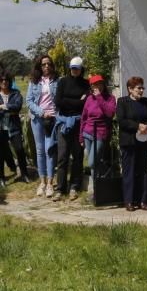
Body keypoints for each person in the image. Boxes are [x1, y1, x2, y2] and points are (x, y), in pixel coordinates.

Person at [116, 76, 147, 211]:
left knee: (143, 171)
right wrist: (138, 126)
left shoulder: (146, 102)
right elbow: (122, 121)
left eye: (142, 88)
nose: (141, 90)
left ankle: (143, 200)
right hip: (129, 142)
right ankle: (128, 201)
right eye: (138, 88)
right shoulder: (122, 102)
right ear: (130, 89)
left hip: (144, 142)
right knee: (129, 172)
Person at [53, 56, 88, 201]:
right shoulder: (62, 82)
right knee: (62, 156)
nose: (74, 71)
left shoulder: (86, 84)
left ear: (81, 69)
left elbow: (85, 104)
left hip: (79, 123)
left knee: (78, 156)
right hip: (63, 123)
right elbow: (58, 101)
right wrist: (77, 101)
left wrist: (68, 101)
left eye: (77, 68)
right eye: (72, 68)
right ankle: (60, 188)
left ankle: (74, 186)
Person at [0, 73, 30, 189]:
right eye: (1, 80)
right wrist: (10, 109)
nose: (4, 82)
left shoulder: (16, 93)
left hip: (13, 127)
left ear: (9, 81)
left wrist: (3, 107)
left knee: (20, 150)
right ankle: (1, 178)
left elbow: (18, 106)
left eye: (6, 80)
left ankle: (24, 174)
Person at [26, 56, 59, 197]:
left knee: (50, 150)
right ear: (39, 67)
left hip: (53, 119)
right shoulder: (34, 82)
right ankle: (42, 182)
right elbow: (29, 101)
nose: (46, 66)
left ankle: (51, 183)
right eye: (43, 64)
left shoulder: (58, 80)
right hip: (38, 119)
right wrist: (41, 112)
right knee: (40, 150)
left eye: (48, 64)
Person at [80, 74, 115, 200]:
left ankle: (109, 171)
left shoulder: (110, 98)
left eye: (99, 84)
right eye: (94, 84)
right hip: (87, 132)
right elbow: (84, 118)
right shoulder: (89, 99)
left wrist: (99, 97)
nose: (97, 86)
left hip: (100, 133)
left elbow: (110, 113)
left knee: (92, 163)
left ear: (103, 85)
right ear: (91, 86)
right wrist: (81, 137)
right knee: (95, 165)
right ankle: (97, 192)